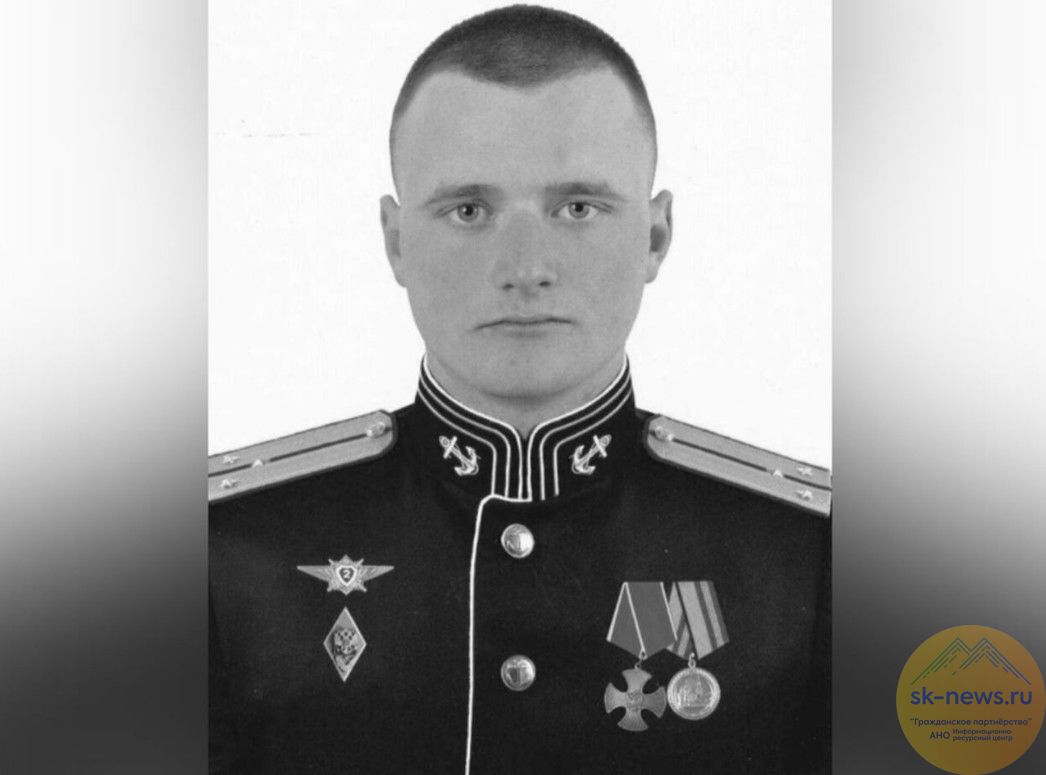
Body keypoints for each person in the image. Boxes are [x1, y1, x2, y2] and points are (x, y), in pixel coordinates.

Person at [209, 5, 830, 773]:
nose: (527, 267)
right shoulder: (228, 550)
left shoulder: (810, 557)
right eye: (469, 210)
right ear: (396, 242)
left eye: (578, 207)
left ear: (656, 236)